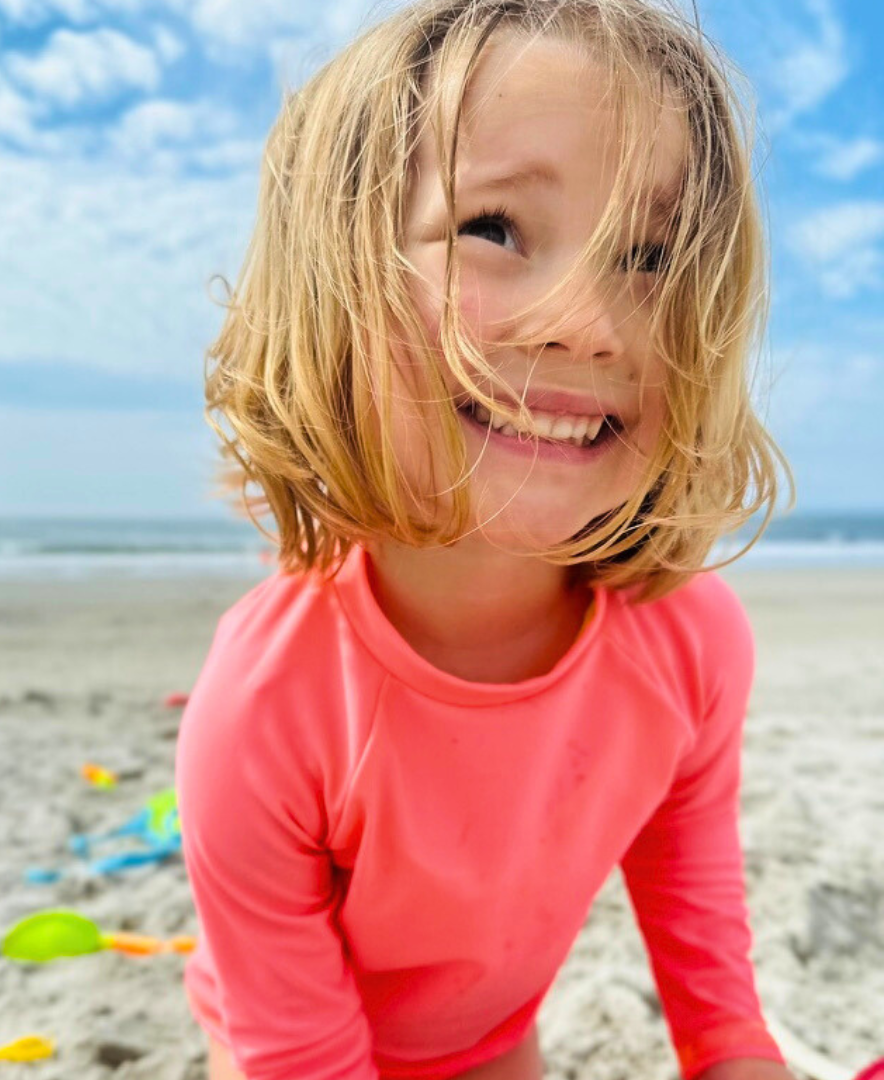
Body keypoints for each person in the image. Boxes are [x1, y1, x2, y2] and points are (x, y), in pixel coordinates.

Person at [175, 0, 797, 1077]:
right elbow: (301, 1054)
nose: (586, 321)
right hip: (286, 1038)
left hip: (496, 1036)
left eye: (648, 256)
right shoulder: (265, 708)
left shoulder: (690, 643)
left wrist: (734, 1049)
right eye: (496, 230)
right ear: (335, 280)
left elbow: (695, 909)